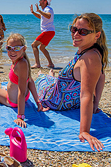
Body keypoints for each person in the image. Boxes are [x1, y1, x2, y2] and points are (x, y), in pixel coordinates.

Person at [35, 13, 108, 151]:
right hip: (69, 97)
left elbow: (85, 94)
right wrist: (96, 104)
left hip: (55, 99)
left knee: (41, 79)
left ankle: (44, 75)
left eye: (83, 31)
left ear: (96, 35)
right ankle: (50, 75)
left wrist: (84, 131)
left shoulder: (89, 58)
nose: (75, 34)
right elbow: (101, 76)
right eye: (74, 29)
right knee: (51, 77)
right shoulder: (94, 51)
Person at [0, 33, 49, 128]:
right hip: (22, 97)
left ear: (24, 49)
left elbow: (21, 92)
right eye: (9, 48)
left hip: (12, 101)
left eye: (17, 48)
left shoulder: (21, 64)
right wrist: (38, 103)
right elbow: (30, 81)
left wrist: (20, 116)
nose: (12, 51)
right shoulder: (20, 60)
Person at [30, 0, 55, 68]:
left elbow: (48, 16)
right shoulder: (44, 10)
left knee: (33, 45)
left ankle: (37, 64)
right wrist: (34, 12)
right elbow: (41, 17)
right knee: (42, 48)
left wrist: (39, 11)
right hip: (50, 32)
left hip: (48, 31)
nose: (39, 1)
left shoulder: (48, 9)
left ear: (45, 1)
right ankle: (51, 64)